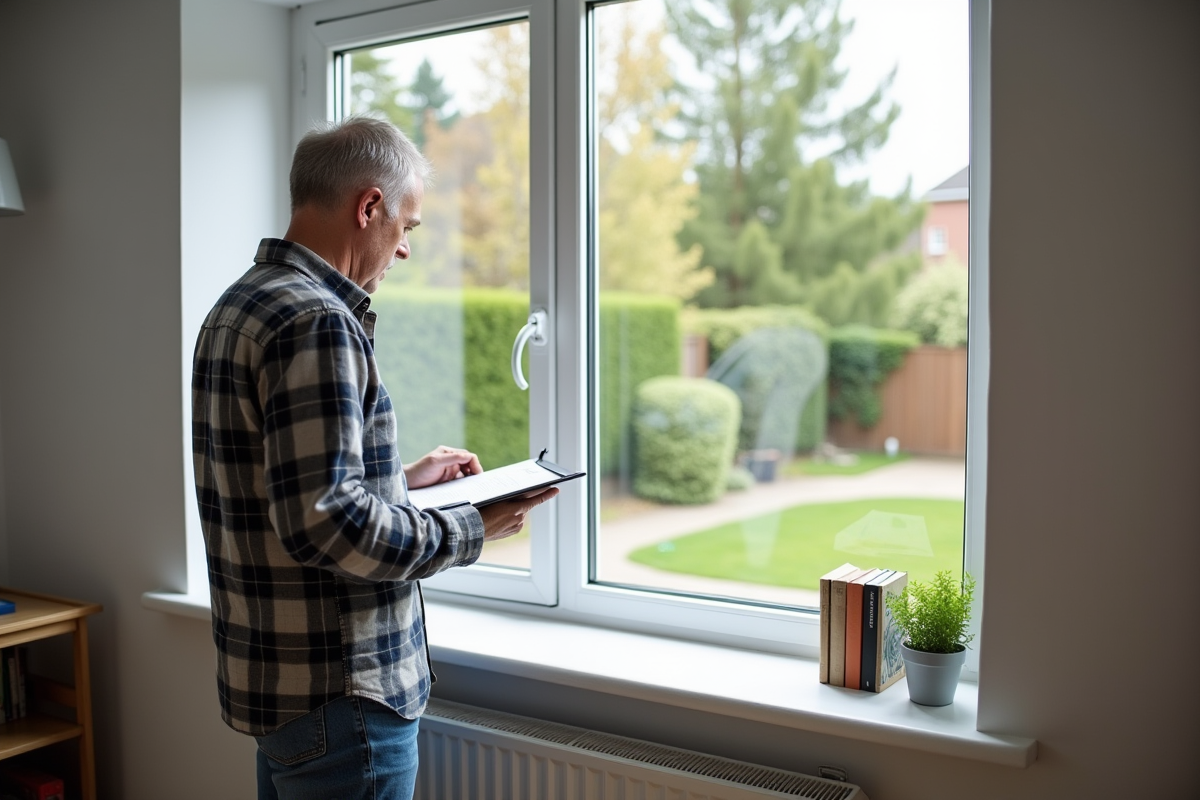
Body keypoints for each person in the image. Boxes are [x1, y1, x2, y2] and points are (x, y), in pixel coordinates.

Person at [191, 116, 557, 800]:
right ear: (369, 207)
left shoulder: (238, 306)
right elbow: (328, 524)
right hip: (344, 696)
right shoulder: (317, 320)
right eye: (406, 226)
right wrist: (473, 527)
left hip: (282, 690)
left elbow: (274, 486)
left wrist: (399, 480)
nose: (405, 248)